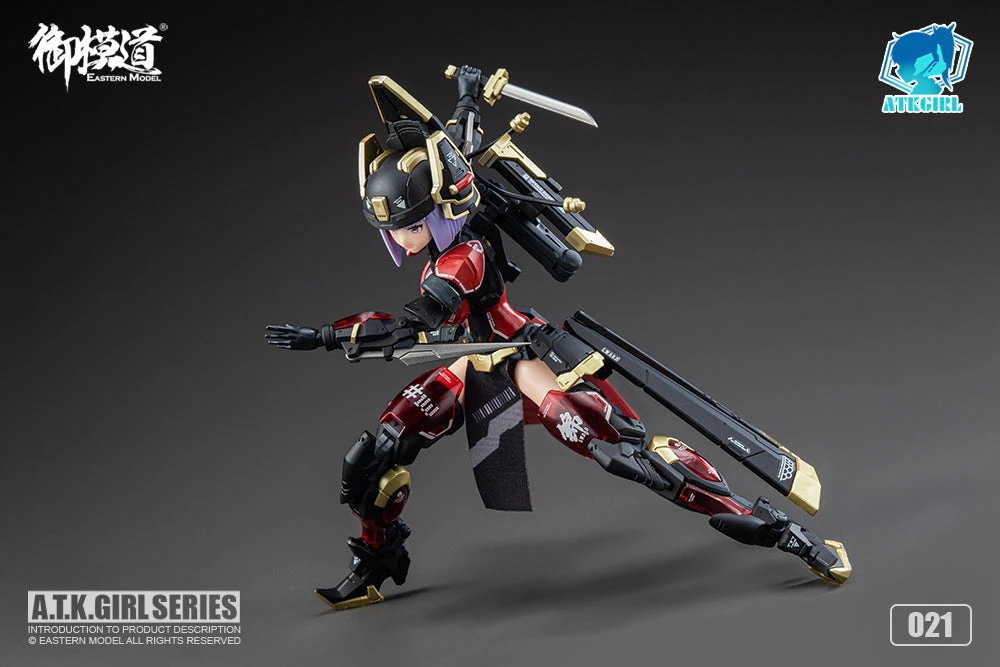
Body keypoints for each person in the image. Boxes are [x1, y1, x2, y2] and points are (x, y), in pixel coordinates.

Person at [266, 66, 850, 610]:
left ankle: (784, 532)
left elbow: (418, 318)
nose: (402, 237)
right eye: (395, 227)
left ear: (443, 205)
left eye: (411, 224)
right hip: (470, 362)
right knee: (375, 455)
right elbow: (456, 142)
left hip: (520, 357)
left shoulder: (465, 256)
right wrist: (468, 93)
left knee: (627, 457)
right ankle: (379, 556)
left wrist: (332, 336)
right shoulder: (450, 207)